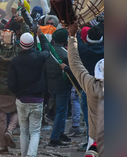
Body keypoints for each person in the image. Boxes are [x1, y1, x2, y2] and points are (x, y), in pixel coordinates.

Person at [0, 13, 29, 154]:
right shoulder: (18, 51)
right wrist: (23, 23)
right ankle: (10, 130)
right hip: (13, 90)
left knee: (0, 118)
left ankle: (3, 146)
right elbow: (27, 38)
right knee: (17, 111)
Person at [8, 29, 50, 157]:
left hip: (21, 100)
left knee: (24, 130)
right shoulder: (39, 57)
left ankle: (24, 154)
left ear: (20, 44)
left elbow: (11, 84)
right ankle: (31, 155)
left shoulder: (15, 61)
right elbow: (47, 50)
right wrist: (41, 36)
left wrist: (16, 93)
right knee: (35, 131)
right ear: (32, 44)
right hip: (37, 100)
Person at [67, 22, 104, 151]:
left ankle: (89, 137)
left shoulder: (83, 50)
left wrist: (73, 35)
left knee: (89, 116)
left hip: (87, 88)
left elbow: (75, 62)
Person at [44, 28, 73, 146]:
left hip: (51, 86)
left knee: (59, 110)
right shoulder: (66, 54)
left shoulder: (48, 52)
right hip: (62, 86)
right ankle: (54, 137)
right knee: (61, 112)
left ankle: (60, 133)